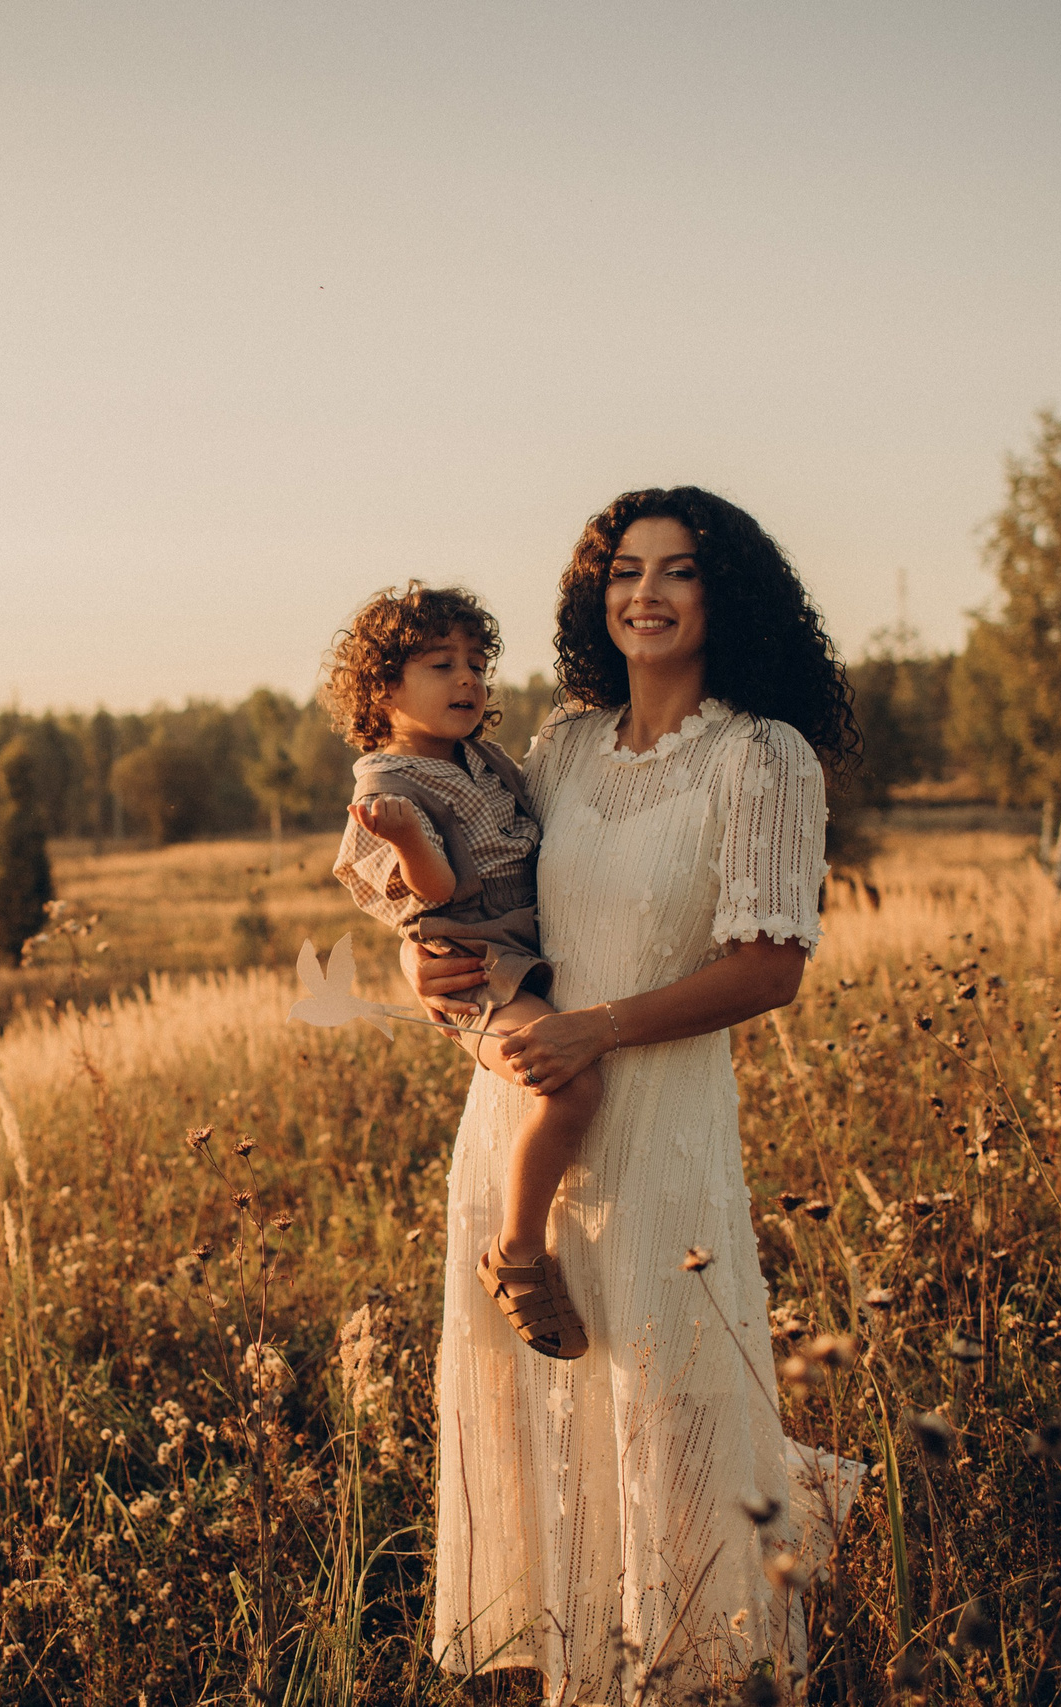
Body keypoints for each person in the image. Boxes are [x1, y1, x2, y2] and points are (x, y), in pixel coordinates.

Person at [406, 489, 863, 1698]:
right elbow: (481, 903)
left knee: (667, 1405)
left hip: (658, 1131)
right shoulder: (559, 748)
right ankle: (570, 1670)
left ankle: (689, 1668)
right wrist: (421, 967)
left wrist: (600, 1026)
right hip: (520, 1122)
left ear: (727, 595)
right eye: (622, 570)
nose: (644, 594)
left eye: (677, 570)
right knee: (537, 1408)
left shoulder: (761, 755)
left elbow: (768, 968)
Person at [319, 582, 600, 1361]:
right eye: (441, 665)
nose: (468, 680)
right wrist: (407, 838)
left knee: (573, 1073)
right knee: (570, 1080)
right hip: (477, 968)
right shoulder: (387, 789)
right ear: (383, 689)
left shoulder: (480, 759)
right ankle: (517, 1252)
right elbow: (438, 890)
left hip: (524, 947)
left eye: (477, 663)